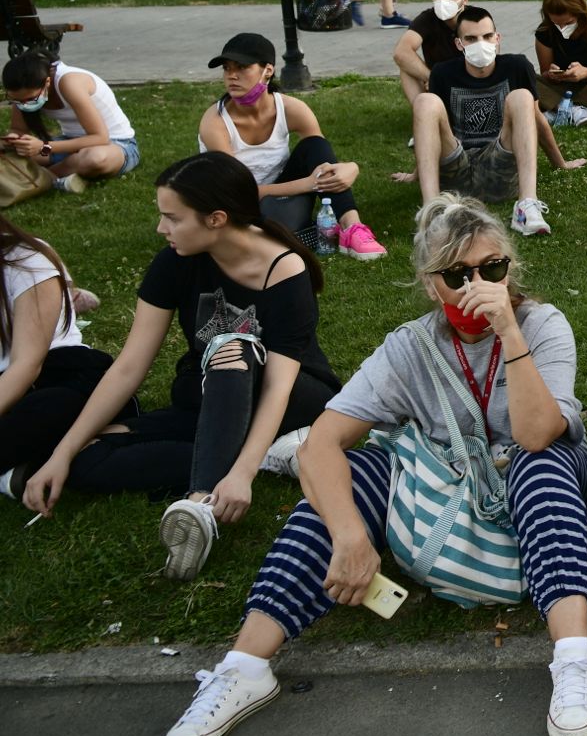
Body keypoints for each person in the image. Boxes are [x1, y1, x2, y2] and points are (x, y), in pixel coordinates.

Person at [152, 194, 587, 736]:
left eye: (492, 268)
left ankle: (573, 660)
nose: (477, 286)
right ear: (431, 285)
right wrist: (350, 536)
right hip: (447, 485)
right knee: (360, 469)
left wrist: (510, 333)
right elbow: (321, 443)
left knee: (539, 461)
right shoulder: (411, 346)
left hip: (547, 481)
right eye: (456, 275)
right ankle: (243, 669)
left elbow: (537, 434)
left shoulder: (542, 324)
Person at [23, 152, 337, 580]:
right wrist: (62, 453)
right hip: (209, 396)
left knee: (232, 347)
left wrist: (241, 475)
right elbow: (129, 366)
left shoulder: (284, 269)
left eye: (172, 218)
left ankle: (200, 502)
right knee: (86, 458)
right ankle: (257, 454)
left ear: (216, 219)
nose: (161, 228)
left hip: (294, 397)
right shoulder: (176, 260)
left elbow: (280, 385)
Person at [197, 33, 386, 260]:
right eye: (227, 68)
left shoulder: (291, 108)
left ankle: (352, 227)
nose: (232, 76)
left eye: (242, 67)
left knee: (314, 144)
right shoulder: (215, 121)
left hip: (281, 197)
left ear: (268, 70)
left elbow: (320, 156)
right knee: (262, 228)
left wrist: (351, 167)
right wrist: (309, 184)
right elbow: (237, 192)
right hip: (235, 206)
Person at [413, 5, 584, 237]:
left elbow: (536, 118)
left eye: (487, 36)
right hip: (457, 168)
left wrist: (560, 162)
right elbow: (433, 129)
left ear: (497, 38)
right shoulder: (443, 72)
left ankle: (526, 206)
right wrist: (416, 172)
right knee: (425, 101)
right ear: (459, 44)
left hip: (499, 166)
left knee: (521, 96)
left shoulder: (517, 66)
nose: (480, 43)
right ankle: (433, 214)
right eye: (471, 39)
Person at [0, 220, 108, 498]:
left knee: (53, 407)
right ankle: (14, 470)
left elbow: (26, 366)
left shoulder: (25, 261)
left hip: (55, 373)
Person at [1, 52, 140, 196]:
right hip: (68, 145)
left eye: (31, 99)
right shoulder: (22, 93)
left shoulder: (69, 82)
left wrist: (43, 147)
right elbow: (18, 129)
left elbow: (100, 138)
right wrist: (15, 140)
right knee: (14, 153)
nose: (24, 104)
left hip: (115, 144)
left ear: (47, 82)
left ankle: (45, 179)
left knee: (93, 159)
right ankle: (65, 176)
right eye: (17, 100)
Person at [392, 0, 467, 117]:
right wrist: (432, 78)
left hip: (469, 82)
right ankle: (424, 116)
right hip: (437, 82)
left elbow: (490, 57)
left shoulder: (476, 19)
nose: (442, 1)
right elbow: (401, 52)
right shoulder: (428, 18)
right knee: (406, 67)